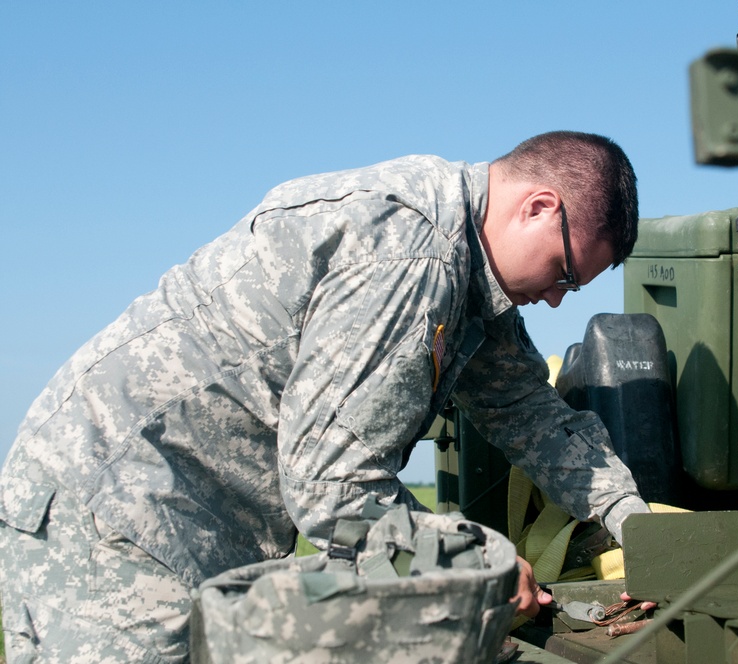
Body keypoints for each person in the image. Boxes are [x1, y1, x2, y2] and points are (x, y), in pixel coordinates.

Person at [0, 130, 650, 661]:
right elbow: (335, 487)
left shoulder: (466, 269)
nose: (559, 298)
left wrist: (635, 524)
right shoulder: (411, 256)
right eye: (565, 272)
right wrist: (486, 565)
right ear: (539, 207)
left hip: (177, 517)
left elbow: (526, 411)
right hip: (120, 512)